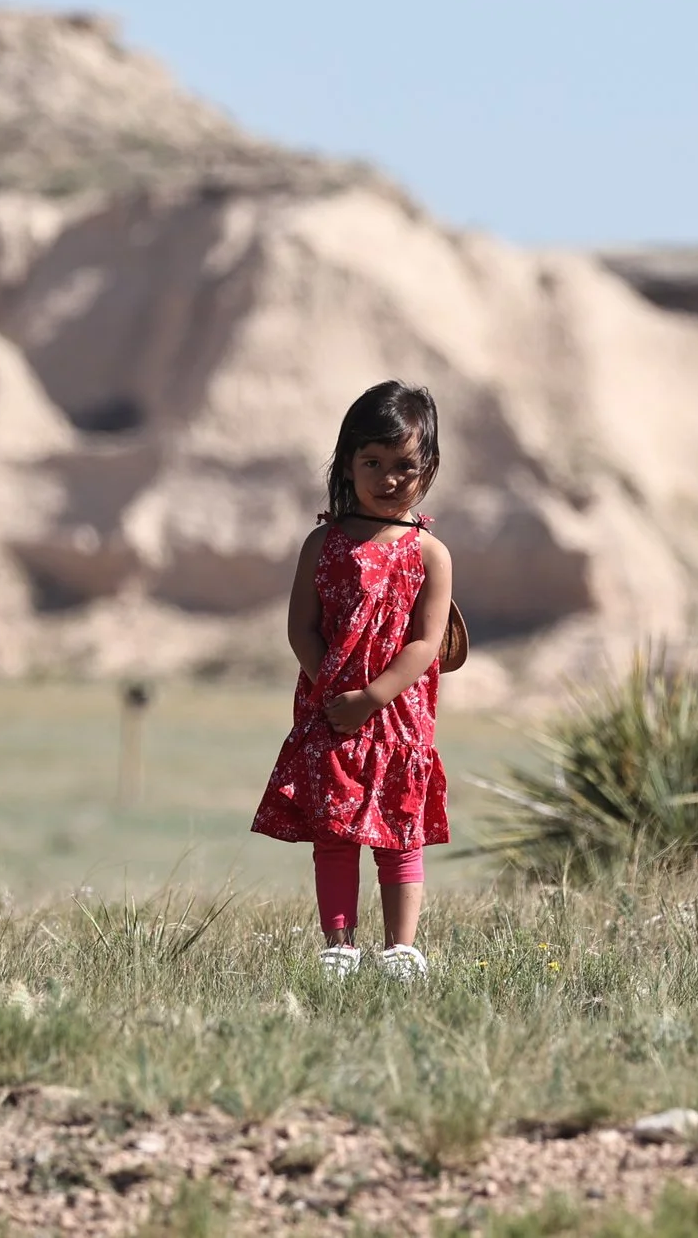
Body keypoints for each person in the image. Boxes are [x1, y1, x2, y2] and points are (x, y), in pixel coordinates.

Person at [250, 380, 454, 980]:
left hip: (397, 719)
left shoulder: (430, 554)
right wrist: (331, 691)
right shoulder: (323, 543)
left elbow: (426, 643)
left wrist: (372, 697)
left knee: (398, 833)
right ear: (346, 463)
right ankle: (339, 946)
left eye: (403, 466)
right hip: (331, 712)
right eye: (372, 462)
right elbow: (301, 628)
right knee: (334, 833)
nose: (387, 478)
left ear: (429, 469)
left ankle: (401, 951)